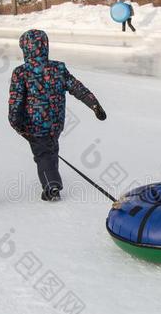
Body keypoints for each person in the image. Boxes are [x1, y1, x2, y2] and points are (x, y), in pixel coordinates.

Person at [8, 29, 107, 201]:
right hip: (56, 122)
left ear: (24, 48)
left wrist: (14, 120)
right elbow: (77, 88)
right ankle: (52, 178)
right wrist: (94, 103)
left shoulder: (21, 72)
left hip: (34, 124)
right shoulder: (58, 68)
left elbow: (16, 100)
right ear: (45, 46)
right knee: (51, 148)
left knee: (43, 154)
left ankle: (51, 185)